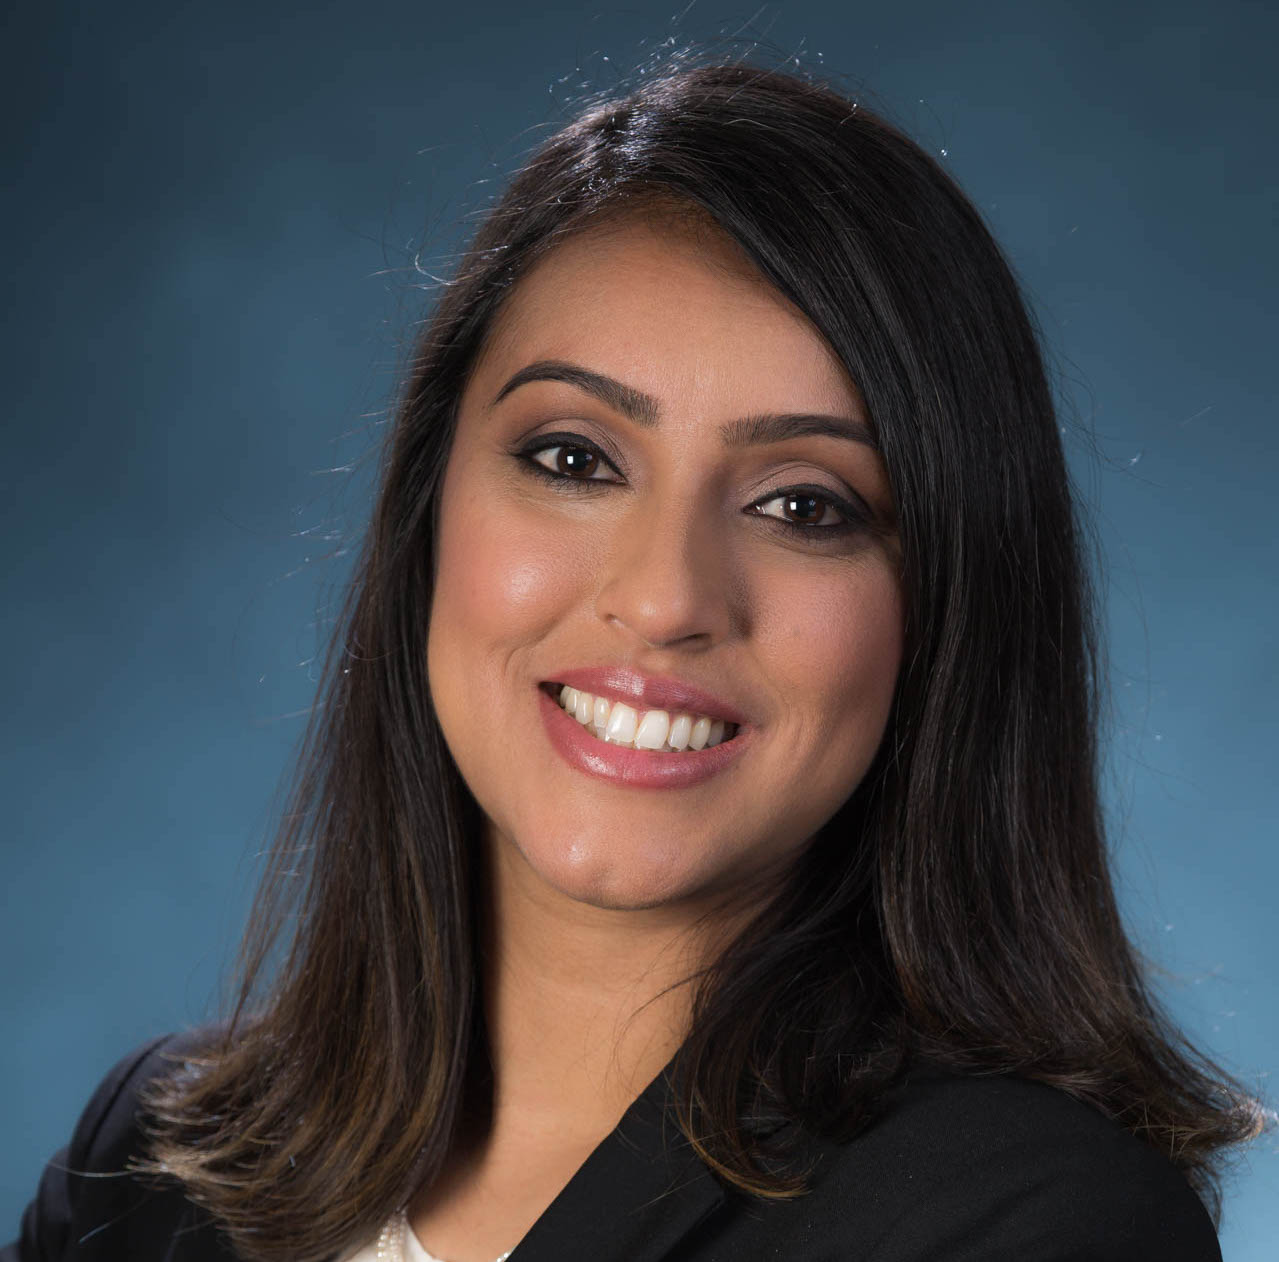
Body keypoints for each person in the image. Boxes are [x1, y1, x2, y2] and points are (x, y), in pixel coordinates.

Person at [5, 56, 1263, 1262]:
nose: (665, 599)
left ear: (946, 606)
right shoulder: (154, 1166)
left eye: (803, 505)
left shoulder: (1027, 1223)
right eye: (573, 459)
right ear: (427, 504)